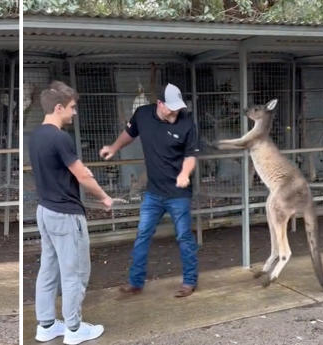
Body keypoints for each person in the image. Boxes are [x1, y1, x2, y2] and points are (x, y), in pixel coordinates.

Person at [29, 80, 113, 345]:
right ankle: (74, 330)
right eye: (72, 108)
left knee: (48, 270)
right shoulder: (59, 137)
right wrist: (104, 197)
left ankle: (46, 326)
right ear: (58, 107)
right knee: (74, 273)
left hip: (44, 211)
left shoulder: (35, 136)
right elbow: (83, 175)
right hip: (66, 214)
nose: (75, 113)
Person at [99, 83, 199, 298]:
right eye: (171, 107)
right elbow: (129, 133)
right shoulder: (143, 115)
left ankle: (189, 281)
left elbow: (191, 156)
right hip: (153, 193)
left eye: (178, 108)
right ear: (160, 104)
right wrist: (114, 148)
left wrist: (184, 173)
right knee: (143, 234)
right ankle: (136, 283)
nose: (175, 112)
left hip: (178, 195)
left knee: (184, 237)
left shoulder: (187, 124)